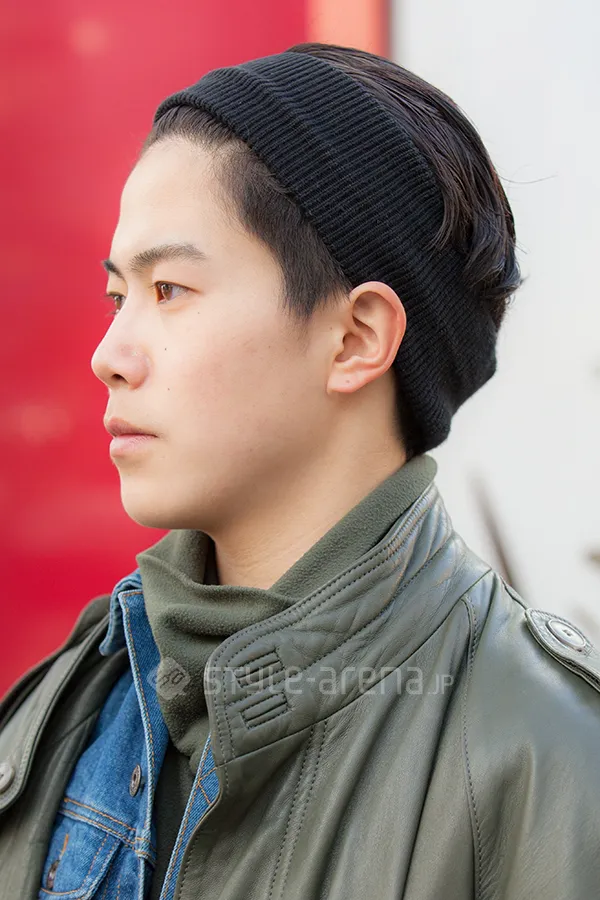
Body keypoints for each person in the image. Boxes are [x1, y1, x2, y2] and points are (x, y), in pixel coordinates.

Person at [0, 41, 599, 900]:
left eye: (169, 290)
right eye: (116, 296)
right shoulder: (69, 708)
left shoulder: (546, 757)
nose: (109, 355)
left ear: (355, 338)